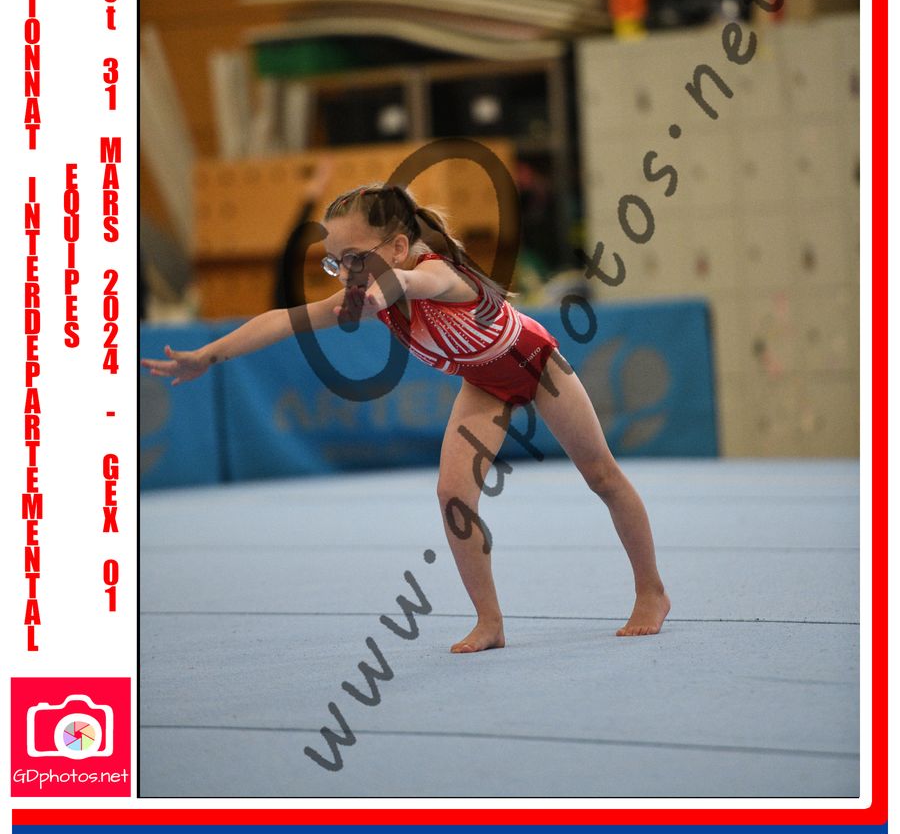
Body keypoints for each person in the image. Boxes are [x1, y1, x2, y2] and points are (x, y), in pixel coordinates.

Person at [142, 183, 670, 654]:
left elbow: (412, 283)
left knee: (601, 475)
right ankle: (489, 621)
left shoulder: (437, 272)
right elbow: (285, 320)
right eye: (335, 262)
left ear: (397, 247)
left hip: (537, 365)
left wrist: (382, 289)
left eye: (354, 258)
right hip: (484, 382)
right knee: (453, 495)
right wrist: (207, 355)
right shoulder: (368, 290)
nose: (345, 272)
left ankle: (652, 591)